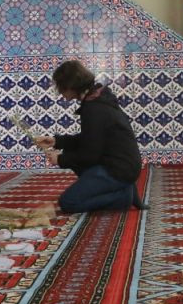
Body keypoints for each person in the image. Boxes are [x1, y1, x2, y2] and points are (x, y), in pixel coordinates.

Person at [33, 60, 145, 214]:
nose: (59, 92)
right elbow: (90, 139)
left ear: (70, 86)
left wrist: (60, 159)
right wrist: (56, 141)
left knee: (68, 202)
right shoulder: (97, 98)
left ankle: (122, 197)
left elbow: (90, 155)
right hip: (122, 164)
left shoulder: (94, 109)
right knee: (78, 164)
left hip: (118, 169)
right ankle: (121, 189)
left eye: (60, 87)